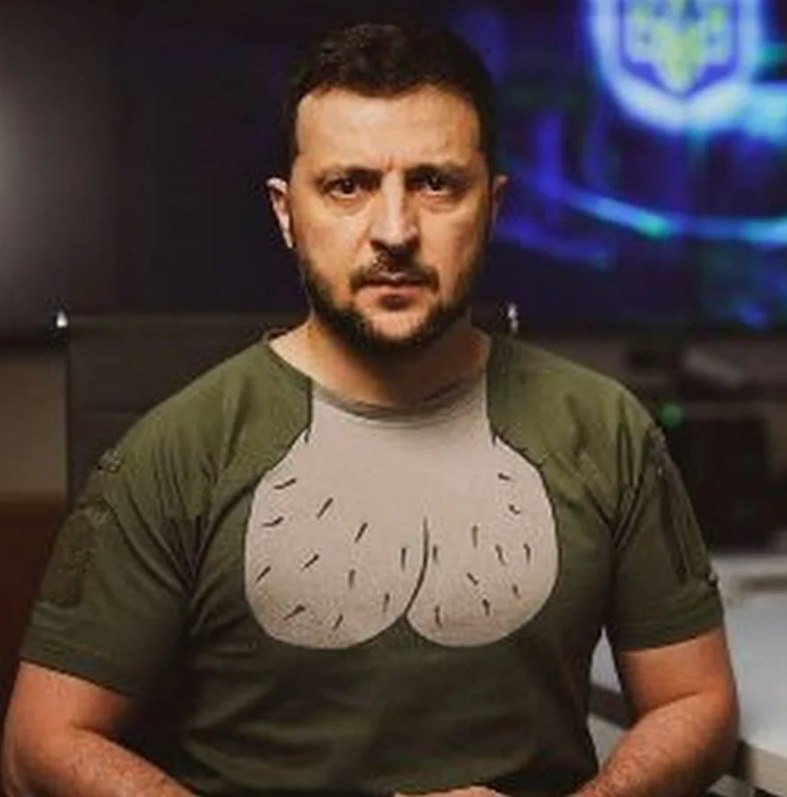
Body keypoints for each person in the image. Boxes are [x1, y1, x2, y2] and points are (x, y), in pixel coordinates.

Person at [2, 20, 737, 797]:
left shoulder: (605, 429)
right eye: (347, 185)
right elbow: (38, 744)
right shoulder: (175, 451)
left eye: (435, 183)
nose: (394, 231)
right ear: (286, 212)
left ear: (492, 206)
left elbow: (695, 699)